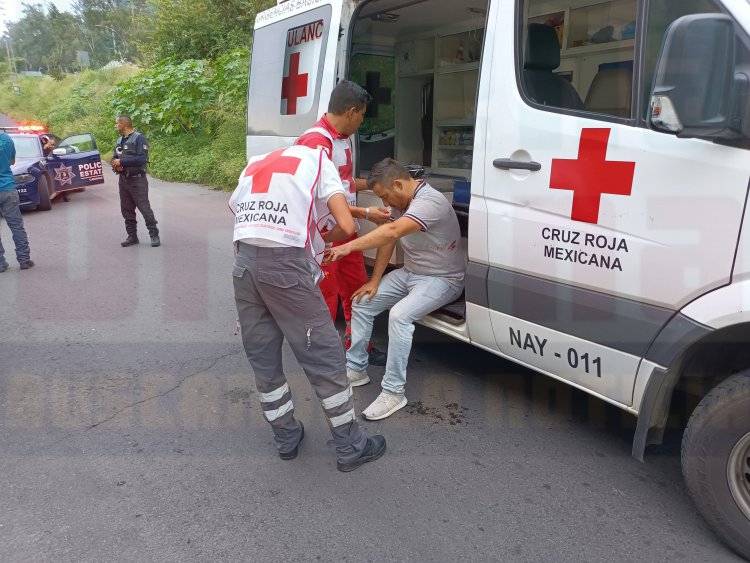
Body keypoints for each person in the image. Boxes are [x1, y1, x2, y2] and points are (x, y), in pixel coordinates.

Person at [230, 144, 386, 472]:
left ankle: (286, 437)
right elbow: (346, 225)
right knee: (326, 358)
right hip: (285, 266)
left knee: (263, 357)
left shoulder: (258, 160)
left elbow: (235, 207)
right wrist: (323, 237)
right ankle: (351, 445)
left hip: (244, 262)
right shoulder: (320, 161)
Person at [324, 158, 465, 420]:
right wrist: (375, 281)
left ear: (398, 184)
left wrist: (346, 247)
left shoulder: (429, 202)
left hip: (443, 279)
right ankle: (356, 369)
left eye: (385, 196)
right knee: (362, 301)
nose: (385, 204)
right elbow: (389, 238)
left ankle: (393, 392)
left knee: (400, 316)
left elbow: (391, 233)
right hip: (411, 273)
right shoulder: (403, 201)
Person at [295, 80, 390, 366]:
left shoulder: (341, 136)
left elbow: (346, 183)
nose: (362, 121)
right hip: (327, 231)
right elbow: (321, 199)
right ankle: (320, 351)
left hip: (346, 229)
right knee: (326, 291)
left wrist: (382, 185)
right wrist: (366, 213)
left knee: (356, 286)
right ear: (351, 111)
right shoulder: (316, 143)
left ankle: (357, 343)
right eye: (362, 115)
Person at [111, 115, 160, 247]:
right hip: (123, 180)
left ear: (124, 123)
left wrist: (121, 161)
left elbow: (141, 159)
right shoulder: (119, 140)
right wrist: (115, 164)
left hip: (138, 181)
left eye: (117, 123)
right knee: (126, 210)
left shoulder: (139, 138)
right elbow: (114, 158)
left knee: (145, 208)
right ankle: (132, 236)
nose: (115, 126)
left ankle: (154, 235)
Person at [0, 131, 34, 272]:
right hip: (7, 188)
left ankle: (1, 264)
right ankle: (24, 260)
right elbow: (12, 161)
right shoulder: (7, 139)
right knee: (16, 225)